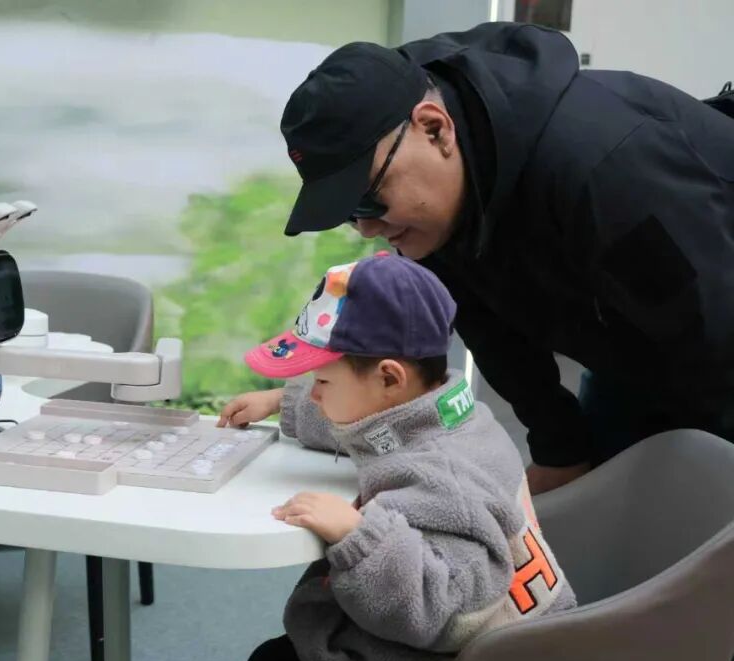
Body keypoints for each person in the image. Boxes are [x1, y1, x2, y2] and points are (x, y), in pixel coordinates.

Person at [275, 22, 734, 497]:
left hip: (713, 323)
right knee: (594, 519)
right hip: (632, 343)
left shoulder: (606, 169)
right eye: (348, 214)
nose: (368, 228)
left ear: (435, 128)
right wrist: (561, 451)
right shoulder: (436, 210)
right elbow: (489, 327)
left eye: (369, 200)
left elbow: (719, 345)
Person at [218, 253, 576, 661]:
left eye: (322, 379)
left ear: (389, 376)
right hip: (471, 647)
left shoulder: (444, 480)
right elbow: (365, 424)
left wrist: (358, 537)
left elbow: (441, 612)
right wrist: (278, 402)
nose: (316, 392)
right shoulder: (444, 412)